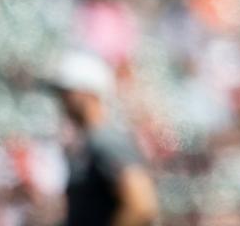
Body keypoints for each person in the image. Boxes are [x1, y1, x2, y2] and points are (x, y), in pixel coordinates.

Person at [47, 51, 158, 226]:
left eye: (67, 92)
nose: (62, 100)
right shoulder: (88, 143)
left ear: (88, 93)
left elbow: (142, 205)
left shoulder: (107, 141)